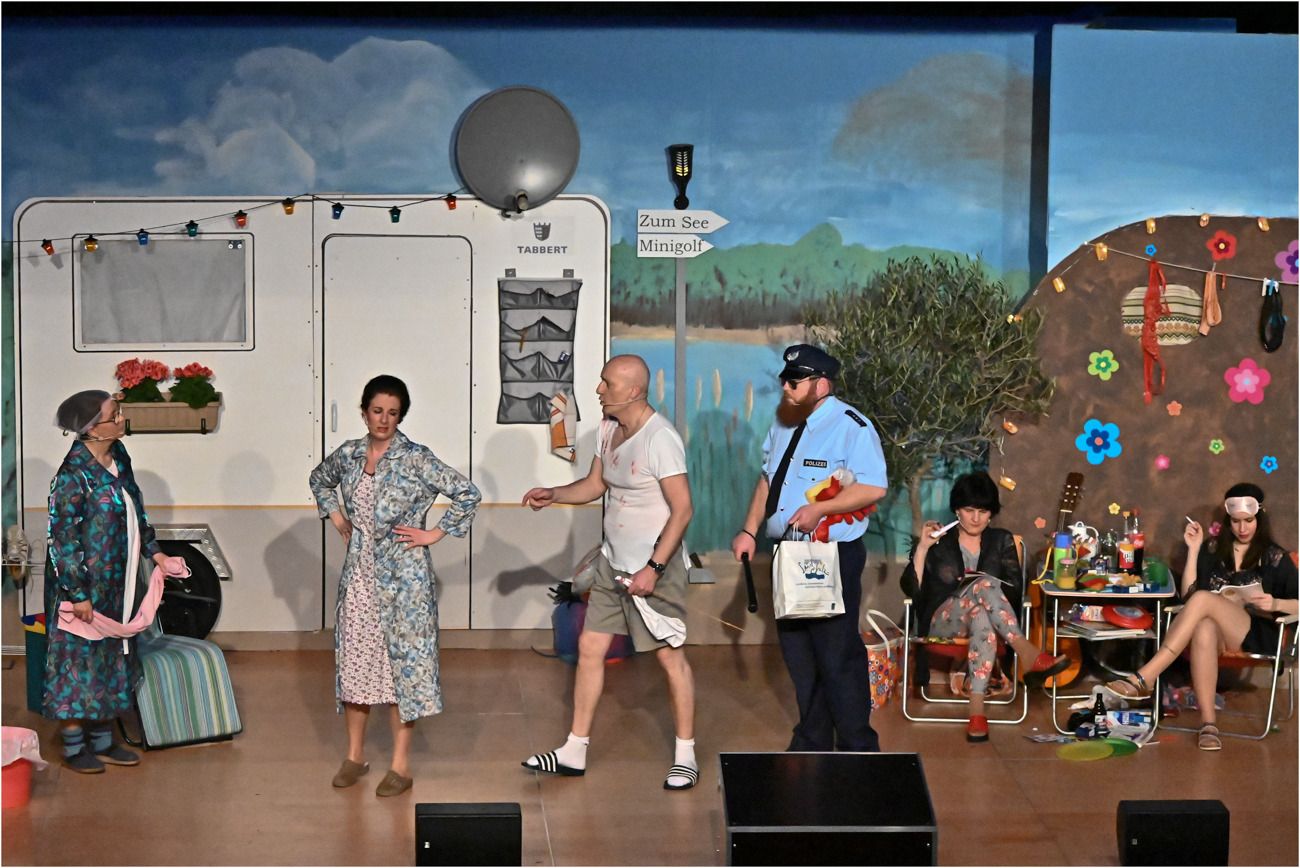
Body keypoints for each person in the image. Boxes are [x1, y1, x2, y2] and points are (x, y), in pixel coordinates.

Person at [520, 355, 699, 790]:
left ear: (633, 391)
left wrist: (654, 568)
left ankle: (686, 755)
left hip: (653, 568)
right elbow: (596, 484)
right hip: (611, 563)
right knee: (590, 647)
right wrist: (554, 494)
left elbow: (683, 510)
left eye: (607, 384)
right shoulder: (607, 429)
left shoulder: (660, 438)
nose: (599, 390)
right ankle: (574, 749)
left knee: (669, 657)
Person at [309, 375, 481, 796]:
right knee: (356, 665)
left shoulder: (415, 458)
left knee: (402, 670)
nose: (384, 420)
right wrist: (336, 516)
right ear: (364, 412)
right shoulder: (349, 454)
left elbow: (467, 493)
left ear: (401, 416)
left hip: (405, 582)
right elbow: (319, 479)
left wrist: (434, 533)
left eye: (393, 412)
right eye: (377, 411)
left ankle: (400, 766)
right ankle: (354, 757)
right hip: (359, 580)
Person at [731, 344, 887, 752]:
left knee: (837, 655)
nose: (786, 387)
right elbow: (767, 480)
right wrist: (749, 531)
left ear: (821, 384)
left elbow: (874, 486)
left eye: (795, 381)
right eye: (785, 379)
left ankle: (857, 746)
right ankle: (813, 739)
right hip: (787, 553)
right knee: (799, 653)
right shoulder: (783, 422)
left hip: (830, 556)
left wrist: (821, 509)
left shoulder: (852, 426)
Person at [44, 390, 187, 773]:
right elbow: (62, 540)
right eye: (114, 415)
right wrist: (78, 594)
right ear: (92, 429)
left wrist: (156, 553)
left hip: (118, 584)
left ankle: (104, 741)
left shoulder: (119, 456)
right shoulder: (72, 477)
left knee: (112, 657)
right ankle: (74, 747)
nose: (122, 418)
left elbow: (136, 509)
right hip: (83, 590)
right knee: (78, 663)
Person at [1105, 482, 1298, 750]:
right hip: (1218, 633)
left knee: (1205, 600)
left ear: (1259, 519)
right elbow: (1189, 596)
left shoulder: (1275, 557)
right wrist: (1194, 549)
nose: (1242, 528)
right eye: (1236, 521)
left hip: (1257, 632)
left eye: (1249, 521)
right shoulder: (1213, 549)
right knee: (1204, 624)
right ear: (1228, 520)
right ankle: (1209, 724)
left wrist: (1275, 602)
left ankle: (1145, 676)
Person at [899, 472, 1071, 742]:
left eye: (983, 511)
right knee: (984, 584)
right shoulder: (940, 540)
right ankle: (1028, 654)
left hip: (991, 619)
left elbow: (1014, 591)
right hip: (943, 622)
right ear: (957, 510)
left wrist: (979, 589)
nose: (976, 518)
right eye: (969, 510)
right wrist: (922, 548)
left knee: (981, 610)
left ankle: (977, 714)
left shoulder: (1001, 540)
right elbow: (913, 592)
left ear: (991, 513)